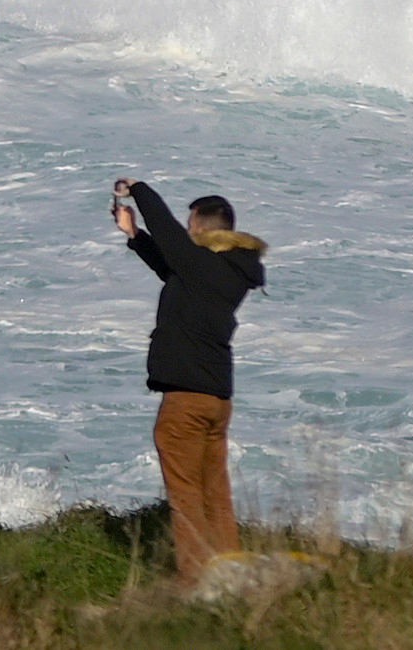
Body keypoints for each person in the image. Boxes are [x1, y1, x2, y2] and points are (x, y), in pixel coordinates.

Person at [112, 176, 266, 585]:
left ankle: (196, 581)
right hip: (216, 399)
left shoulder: (202, 263)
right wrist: (135, 236)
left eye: (190, 223)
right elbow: (174, 269)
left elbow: (169, 236)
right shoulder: (229, 271)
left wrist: (138, 190)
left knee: (186, 497)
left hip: (186, 400)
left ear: (202, 226)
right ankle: (230, 575)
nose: (186, 230)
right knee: (215, 493)